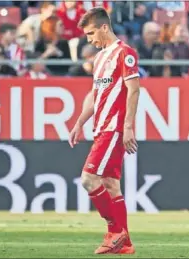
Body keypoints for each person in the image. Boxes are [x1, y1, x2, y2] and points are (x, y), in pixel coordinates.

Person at [68, 7, 140, 255]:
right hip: (100, 128)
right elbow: (94, 95)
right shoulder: (99, 58)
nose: (89, 40)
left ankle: (115, 231)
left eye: (91, 33)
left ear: (104, 27)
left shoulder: (125, 53)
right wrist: (79, 122)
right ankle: (126, 243)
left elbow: (134, 90)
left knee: (89, 179)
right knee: (111, 185)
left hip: (114, 128)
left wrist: (128, 126)